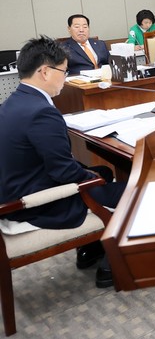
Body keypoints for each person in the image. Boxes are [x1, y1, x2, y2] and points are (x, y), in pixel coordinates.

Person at [0, 36, 127, 288]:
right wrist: (92, 179)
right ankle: (111, 266)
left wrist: (94, 174)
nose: (66, 78)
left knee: (102, 170)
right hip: (36, 203)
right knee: (133, 190)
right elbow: (63, 171)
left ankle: (90, 250)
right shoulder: (41, 111)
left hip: (14, 188)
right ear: (45, 72)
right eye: (64, 71)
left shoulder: (12, 103)